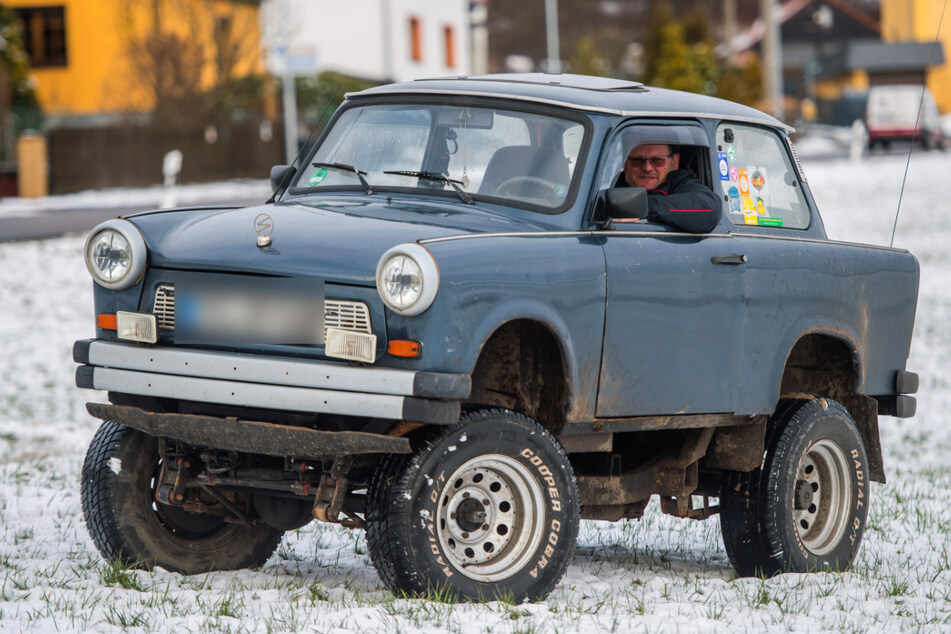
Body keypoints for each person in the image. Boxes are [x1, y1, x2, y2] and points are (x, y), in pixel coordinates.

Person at [613, 143, 721, 233]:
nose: (647, 168)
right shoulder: (606, 185)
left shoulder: (681, 183)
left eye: (658, 160)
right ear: (625, 163)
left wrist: (641, 207)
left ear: (674, 161)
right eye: (637, 160)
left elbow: (710, 209)